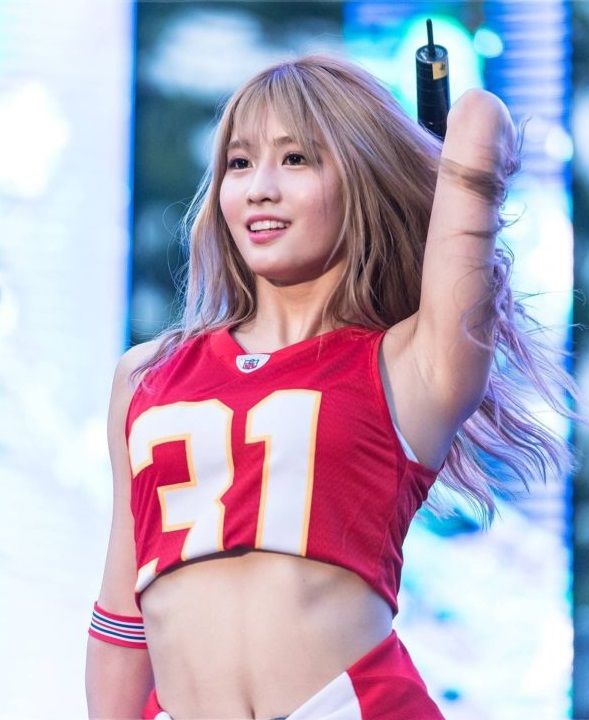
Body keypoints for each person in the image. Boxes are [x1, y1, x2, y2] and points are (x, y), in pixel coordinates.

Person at [85, 54, 583, 720]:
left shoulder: (408, 362)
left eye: (296, 159)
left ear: (359, 175)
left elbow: (478, 122)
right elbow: (122, 611)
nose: (260, 188)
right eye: (239, 163)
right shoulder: (147, 374)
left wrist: (426, 165)